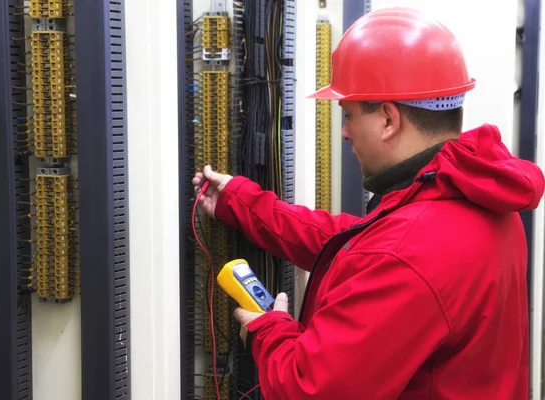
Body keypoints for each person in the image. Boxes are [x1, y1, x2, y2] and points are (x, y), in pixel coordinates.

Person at [192, 7, 545, 399]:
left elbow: (307, 387)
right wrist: (241, 202)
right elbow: (354, 243)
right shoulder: (475, 194)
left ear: (388, 120)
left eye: (348, 114)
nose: (344, 133)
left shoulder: (407, 253)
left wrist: (269, 328)